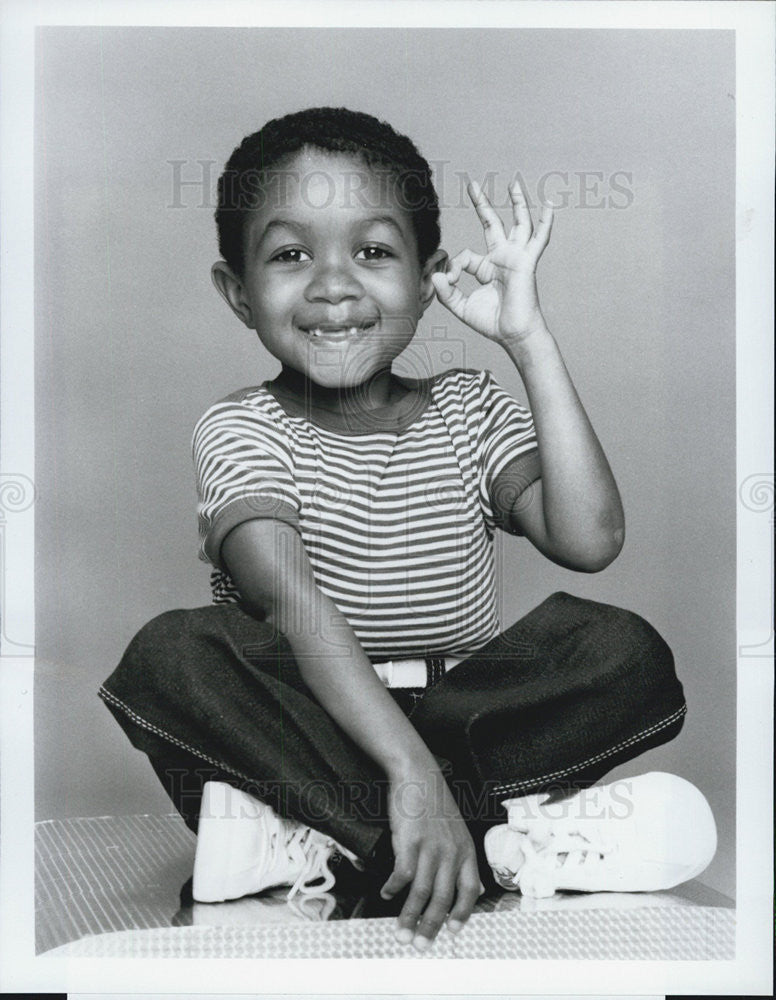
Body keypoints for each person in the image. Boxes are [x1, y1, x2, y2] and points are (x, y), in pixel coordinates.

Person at [99, 107, 717, 952]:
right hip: (311, 725)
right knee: (174, 656)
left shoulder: (468, 409)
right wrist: (409, 774)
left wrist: (529, 342)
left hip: (467, 717)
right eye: (290, 256)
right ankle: (499, 846)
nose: (333, 286)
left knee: (620, 649)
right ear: (238, 292)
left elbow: (591, 539)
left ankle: (332, 845)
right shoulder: (240, 427)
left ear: (426, 280)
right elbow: (290, 603)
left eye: (373, 252)